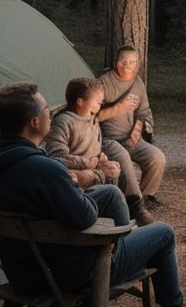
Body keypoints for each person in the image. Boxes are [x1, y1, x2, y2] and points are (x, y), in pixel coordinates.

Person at [0, 82, 186, 307]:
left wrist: (78, 180)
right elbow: (84, 216)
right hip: (66, 274)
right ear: (34, 122)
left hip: (24, 268)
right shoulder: (44, 171)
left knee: (110, 193)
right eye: (46, 109)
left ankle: (120, 251)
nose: (51, 113)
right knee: (163, 232)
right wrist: (80, 180)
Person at [44, 77, 154, 225]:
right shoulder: (64, 122)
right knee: (108, 182)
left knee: (114, 168)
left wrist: (102, 159)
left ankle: (121, 213)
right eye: (97, 101)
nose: (100, 105)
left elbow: (94, 146)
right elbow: (57, 158)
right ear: (80, 101)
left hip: (92, 170)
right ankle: (116, 224)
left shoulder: (92, 119)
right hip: (73, 180)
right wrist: (89, 163)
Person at [97, 45, 167, 205]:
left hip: (131, 138)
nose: (128, 66)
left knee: (157, 157)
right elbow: (93, 116)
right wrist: (118, 108)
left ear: (138, 64)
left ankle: (146, 195)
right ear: (116, 62)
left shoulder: (137, 82)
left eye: (133, 62)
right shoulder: (103, 83)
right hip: (108, 140)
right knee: (123, 157)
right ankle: (133, 201)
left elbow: (144, 110)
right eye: (124, 62)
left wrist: (142, 126)